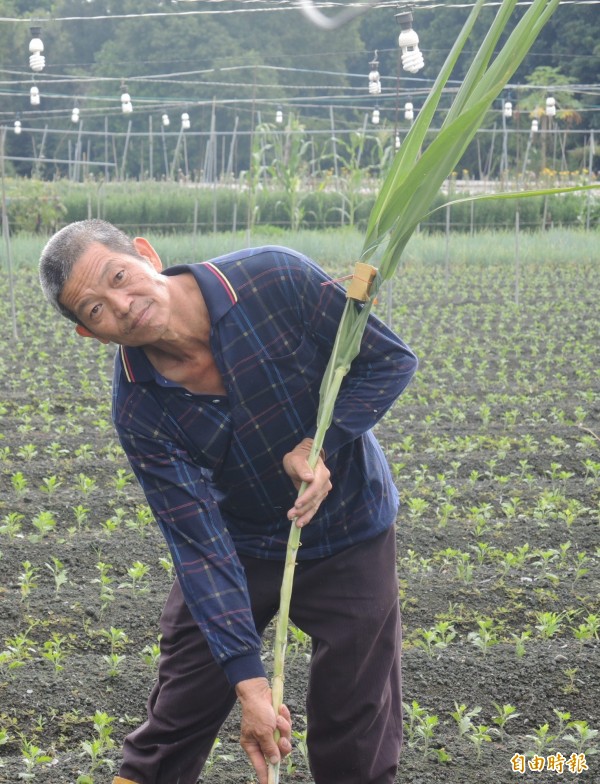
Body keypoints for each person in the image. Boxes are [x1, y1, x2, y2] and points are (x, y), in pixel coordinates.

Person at [39, 219, 418, 784]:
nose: (121, 305)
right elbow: (198, 545)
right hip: (237, 546)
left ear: (145, 254)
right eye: (95, 310)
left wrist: (322, 442)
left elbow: (389, 360)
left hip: (349, 529)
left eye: (119, 276)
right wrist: (252, 684)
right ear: (90, 335)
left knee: (356, 723)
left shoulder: (274, 277)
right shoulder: (140, 411)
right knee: (174, 722)